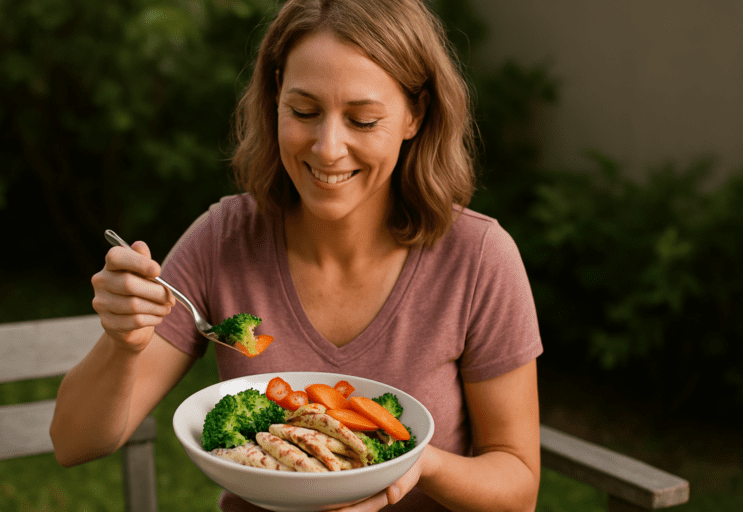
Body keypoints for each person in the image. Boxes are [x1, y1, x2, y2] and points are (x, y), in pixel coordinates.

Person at [50, 0, 544, 510]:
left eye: (364, 119)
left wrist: (420, 462)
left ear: (415, 115)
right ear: (276, 98)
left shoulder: (479, 258)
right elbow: (74, 442)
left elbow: (519, 487)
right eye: (304, 112)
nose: (328, 147)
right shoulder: (224, 241)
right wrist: (121, 344)